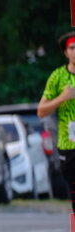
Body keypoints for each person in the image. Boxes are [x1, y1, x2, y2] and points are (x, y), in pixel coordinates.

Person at [38, 30, 75, 212]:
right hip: (68, 145)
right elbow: (41, 111)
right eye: (72, 48)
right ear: (66, 52)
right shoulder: (58, 77)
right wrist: (62, 98)